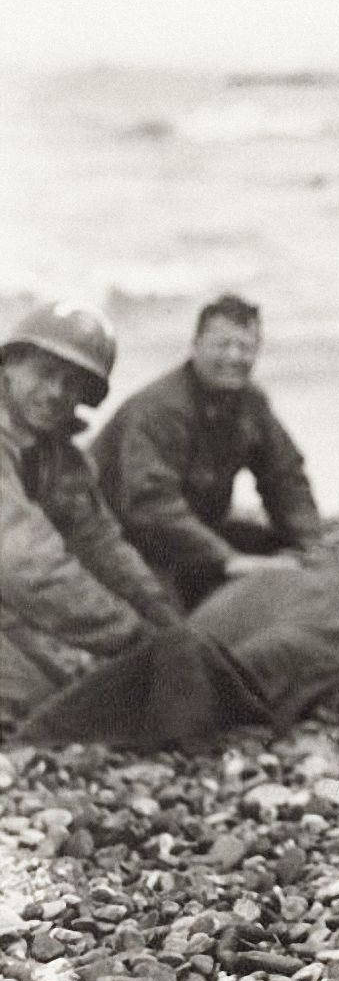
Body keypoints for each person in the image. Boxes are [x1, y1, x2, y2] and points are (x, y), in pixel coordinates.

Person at [1, 302, 181, 720]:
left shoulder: (54, 454)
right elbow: (25, 567)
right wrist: (132, 636)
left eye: (72, 385)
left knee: (59, 690)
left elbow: (100, 543)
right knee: (30, 702)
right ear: (11, 363)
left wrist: (170, 626)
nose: (55, 394)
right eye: (45, 373)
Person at [91, 294, 322, 609]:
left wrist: (309, 546)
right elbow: (150, 505)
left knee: (299, 562)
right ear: (196, 344)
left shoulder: (251, 403)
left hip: (192, 533)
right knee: (169, 627)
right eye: (222, 344)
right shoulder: (160, 408)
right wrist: (225, 559)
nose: (234, 356)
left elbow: (285, 477)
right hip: (123, 538)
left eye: (246, 347)